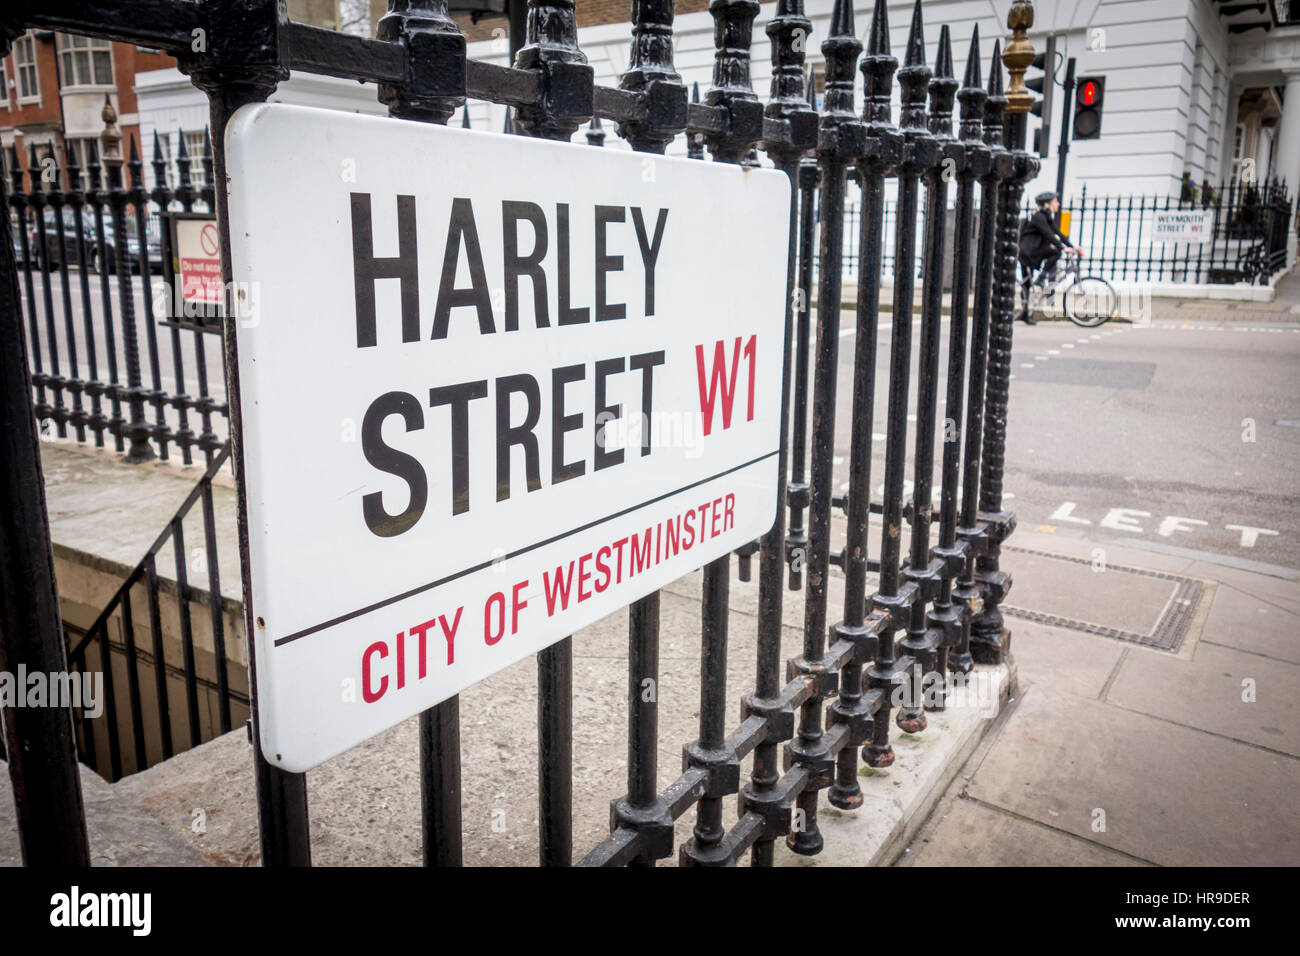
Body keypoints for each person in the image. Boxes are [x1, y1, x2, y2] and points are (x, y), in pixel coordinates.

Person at [1018, 191, 1087, 324]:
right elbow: (1048, 234)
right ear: (1047, 204)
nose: (1058, 204)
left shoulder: (1046, 216)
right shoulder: (1038, 217)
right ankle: (1041, 279)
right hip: (1028, 251)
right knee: (1055, 253)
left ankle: (1026, 313)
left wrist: (1072, 246)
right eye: (1055, 201)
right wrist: (1063, 248)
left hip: (1033, 250)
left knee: (1027, 284)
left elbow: (1058, 233)